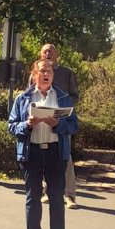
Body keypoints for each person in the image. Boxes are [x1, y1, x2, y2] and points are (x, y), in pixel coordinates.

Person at [9, 59, 78, 229]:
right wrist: (27, 125)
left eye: (49, 71)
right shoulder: (23, 98)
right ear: (35, 75)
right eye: (42, 71)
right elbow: (12, 126)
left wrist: (58, 125)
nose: (46, 74)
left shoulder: (63, 97)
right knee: (33, 197)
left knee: (56, 198)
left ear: (53, 76)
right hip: (32, 152)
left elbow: (74, 126)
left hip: (56, 153)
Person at [28, 44, 80, 208]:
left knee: (66, 157)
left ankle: (70, 195)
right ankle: (46, 192)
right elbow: (28, 95)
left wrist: (62, 108)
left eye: (51, 51)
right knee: (42, 155)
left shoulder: (67, 72)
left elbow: (75, 96)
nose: (48, 53)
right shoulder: (35, 73)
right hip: (39, 122)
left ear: (56, 54)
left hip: (61, 121)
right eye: (45, 51)